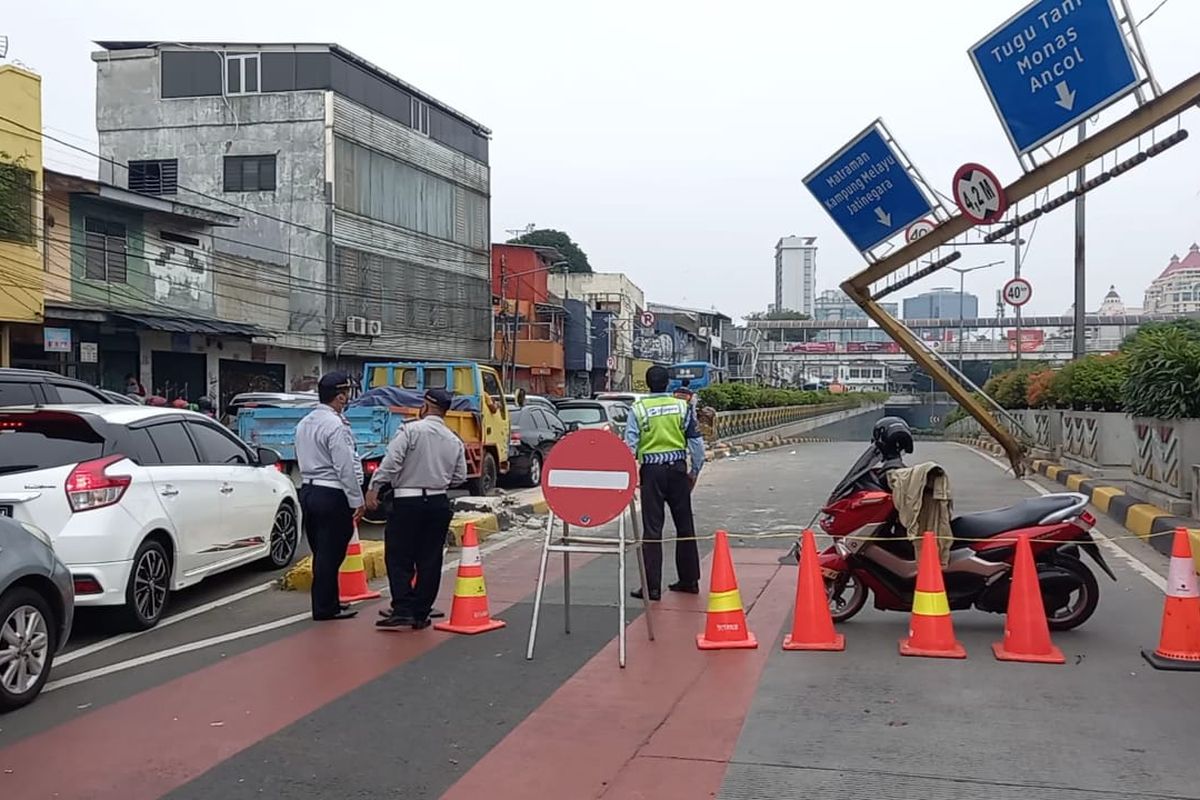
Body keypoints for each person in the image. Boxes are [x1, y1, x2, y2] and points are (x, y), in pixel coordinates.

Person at [367, 388, 467, 630]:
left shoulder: (410, 431)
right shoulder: (453, 439)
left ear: (425, 406)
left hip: (407, 501)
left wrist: (374, 486)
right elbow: (460, 476)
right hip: (437, 502)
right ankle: (421, 613)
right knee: (430, 559)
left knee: (399, 556)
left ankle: (402, 608)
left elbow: (391, 463)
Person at [626, 365, 706, 601]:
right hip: (678, 470)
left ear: (648, 384)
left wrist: (629, 477)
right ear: (667, 384)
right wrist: (694, 471)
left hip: (651, 471)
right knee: (684, 525)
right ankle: (689, 580)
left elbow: (630, 446)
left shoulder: (638, 409)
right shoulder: (682, 407)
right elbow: (697, 444)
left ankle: (651, 587)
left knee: (652, 528)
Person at [294, 371, 364, 621]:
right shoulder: (335, 425)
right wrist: (357, 500)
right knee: (331, 553)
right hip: (331, 492)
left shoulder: (306, 422)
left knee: (321, 551)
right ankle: (325, 607)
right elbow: (345, 466)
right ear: (341, 397)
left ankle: (330, 601)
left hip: (309, 489)